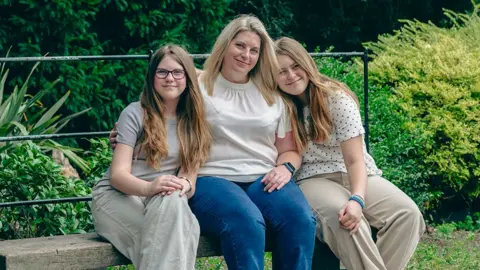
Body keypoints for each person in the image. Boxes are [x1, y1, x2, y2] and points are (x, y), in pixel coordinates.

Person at [110, 15, 316, 270]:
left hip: (262, 177)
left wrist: (285, 168)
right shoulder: (197, 84)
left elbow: (289, 150)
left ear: (261, 56)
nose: (246, 55)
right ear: (225, 44)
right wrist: (128, 135)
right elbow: (154, 106)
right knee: (246, 221)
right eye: (239, 45)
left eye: (254, 50)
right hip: (210, 177)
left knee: (301, 219)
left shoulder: (273, 95)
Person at [274, 36, 426, 270]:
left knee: (407, 214)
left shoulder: (336, 99)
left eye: (296, 66)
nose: (291, 75)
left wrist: (357, 198)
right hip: (312, 179)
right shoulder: (277, 105)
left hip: (354, 171)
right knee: (343, 218)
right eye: (281, 71)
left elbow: (355, 160)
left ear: (306, 65)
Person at [92, 45, 211, 270]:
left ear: (188, 77)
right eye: (162, 72)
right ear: (152, 77)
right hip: (118, 196)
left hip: (164, 200)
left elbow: (189, 180)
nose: (170, 78)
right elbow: (118, 175)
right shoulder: (135, 113)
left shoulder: (194, 121)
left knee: (174, 210)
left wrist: (181, 185)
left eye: (178, 72)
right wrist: (150, 187)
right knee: (175, 237)